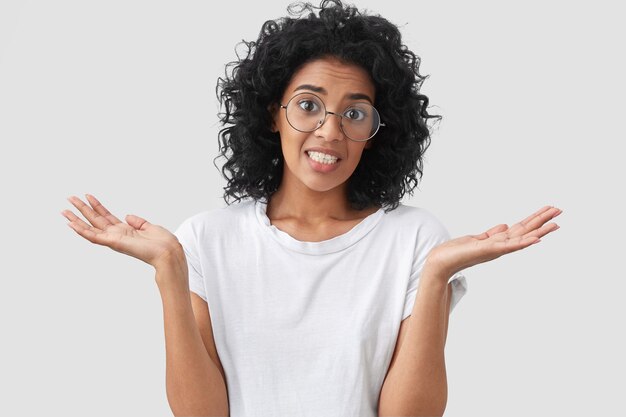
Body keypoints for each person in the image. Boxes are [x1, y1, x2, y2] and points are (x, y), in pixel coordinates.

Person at [61, 0, 562, 415]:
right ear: (271, 114)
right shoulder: (206, 240)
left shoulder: (415, 239)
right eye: (308, 104)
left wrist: (434, 276)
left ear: (377, 133)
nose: (330, 130)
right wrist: (170, 270)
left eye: (355, 112)